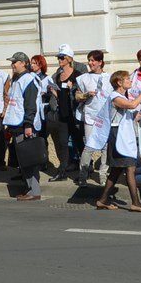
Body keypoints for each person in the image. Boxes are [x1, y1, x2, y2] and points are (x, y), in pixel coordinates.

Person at [93, 70, 141, 212]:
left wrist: (136, 116)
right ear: (119, 83)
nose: (130, 81)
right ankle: (136, 202)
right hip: (117, 135)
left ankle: (103, 200)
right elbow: (130, 105)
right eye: (127, 79)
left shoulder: (121, 96)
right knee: (130, 167)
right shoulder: (115, 96)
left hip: (122, 134)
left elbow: (125, 113)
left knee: (116, 170)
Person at [3, 52, 45, 201]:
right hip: (17, 125)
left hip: (25, 126)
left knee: (29, 159)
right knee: (24, 160)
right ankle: (29, 189)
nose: (13, 64)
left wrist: (28, 124)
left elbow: (30, 105)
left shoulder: (28, 80)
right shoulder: (17, 80)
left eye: (16, 62)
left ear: (24, 63)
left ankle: (34, 191)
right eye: (12, 62)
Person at [75, 49, 113, 185]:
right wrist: (86, 95)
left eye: (93, 60)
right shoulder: (84, 78)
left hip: (105, 118)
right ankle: (83, 175)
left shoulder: (109, 78)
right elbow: (77, 96)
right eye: (89, 60)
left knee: (105, 148)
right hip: (90, 116)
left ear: (100, 62)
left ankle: (103, 175)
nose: (90, 63)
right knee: (89, 147)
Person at [45, 45, 81, 182]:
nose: (59, 60)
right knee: (62, 144)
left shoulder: (77, 74)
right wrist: (54, 92)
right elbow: (61, 96)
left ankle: (85, 171)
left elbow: (81, 94)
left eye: (61, 57)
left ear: (69, 59)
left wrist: (73, 88)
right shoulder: (57, 76)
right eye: (58, 57)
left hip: (75, 114)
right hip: (62, 114)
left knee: (79, 143)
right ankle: (62, 172)